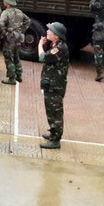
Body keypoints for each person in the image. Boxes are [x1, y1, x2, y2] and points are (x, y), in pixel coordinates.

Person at [38, 22, 69, 150]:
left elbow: (42, 57)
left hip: (55, 86)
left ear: (56, 36)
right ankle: (53, 132)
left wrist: (40, 45)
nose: (47, 32)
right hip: (50, 84)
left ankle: (55, 140)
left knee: (55, 112)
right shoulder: (55, 45)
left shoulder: (60, 48)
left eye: (50, 30)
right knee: (50, 111)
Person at [0, 0, 31, 85]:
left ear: (8, 3)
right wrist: (22, 30)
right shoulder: (19, 12)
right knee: (16, 56)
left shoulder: (5, 13)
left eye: (4, 1)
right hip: (18, 37)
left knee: (9, 57)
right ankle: (19, 75)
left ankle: (11, 78)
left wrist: (4, 33)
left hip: (10, 38)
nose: (3, 2)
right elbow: (28, 20)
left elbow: (1, 24)